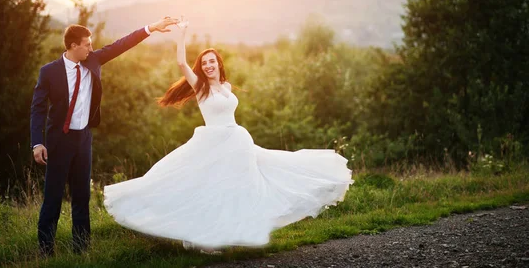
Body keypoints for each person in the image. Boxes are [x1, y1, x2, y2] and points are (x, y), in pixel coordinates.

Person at [103, 17, 353, 252]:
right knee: (206, 187)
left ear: (218, 64)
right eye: (204, 63)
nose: (209, 65)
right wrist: (183, 35)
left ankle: (232, 230)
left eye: (212, 61)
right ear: (200, 68)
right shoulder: (199, 87)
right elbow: (181, 63)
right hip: (212, 144)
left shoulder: (227, 86)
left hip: (237, 143)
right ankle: (201, 237)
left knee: (243, 186)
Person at [30, 17, 178, 256]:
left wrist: (151, 28)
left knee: (81, 196)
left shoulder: (94, 60)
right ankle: (45, 251)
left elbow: (122, 44)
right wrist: (37, 142)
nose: (91, 48)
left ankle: (81, 250)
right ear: (73, 46)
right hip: (58, 140)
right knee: (53, 197)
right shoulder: (49, 72)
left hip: (83, 139)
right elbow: (37, 108)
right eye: (87, 44)